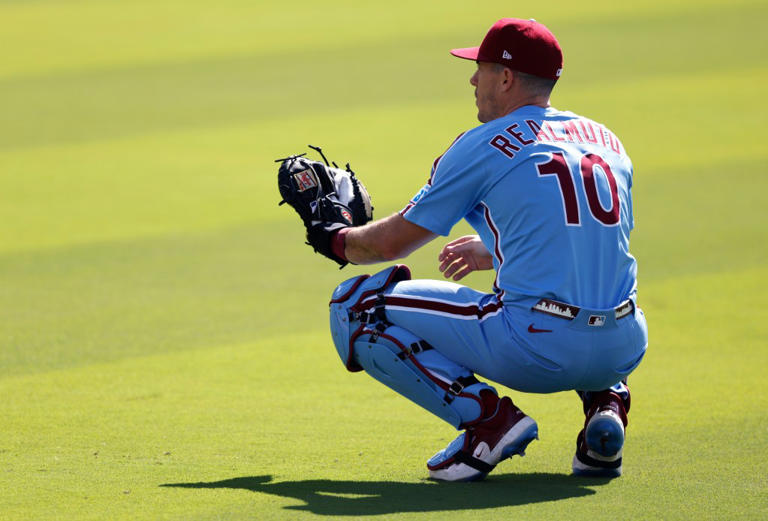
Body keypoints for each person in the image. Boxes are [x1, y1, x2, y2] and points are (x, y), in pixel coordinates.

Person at [326, 18, 648, 481]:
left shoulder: (479, 145)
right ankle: (608, 404)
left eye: (482, 68)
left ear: (506, 78)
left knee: (356, 304)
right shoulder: (609, 142)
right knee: (596, 291)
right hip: (622, 345)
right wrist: (495, 250)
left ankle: (488, 423)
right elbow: (594, 240)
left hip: (536, 347)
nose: (473, 79)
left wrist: (333, 235)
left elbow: (389, 244)